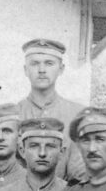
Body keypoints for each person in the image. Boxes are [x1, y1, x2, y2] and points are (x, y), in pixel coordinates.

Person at [17, 38, 86, 183]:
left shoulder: (77, 115)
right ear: (25, 70)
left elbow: (80, 172)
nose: (41, 70)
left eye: (49, 63)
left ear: (61, 69)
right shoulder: (14, 115)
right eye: (35, 63)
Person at [0, 117, 68, 191]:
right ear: (22, 151)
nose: (42, 153)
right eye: (34, 146)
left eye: (50, 146)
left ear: (61, 153)